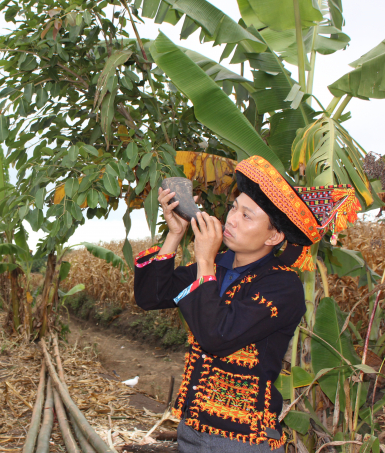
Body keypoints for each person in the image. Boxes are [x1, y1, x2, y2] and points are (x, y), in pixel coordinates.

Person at [134, 156, 360, 452]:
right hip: (192, 428)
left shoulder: (282, 285)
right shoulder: (218, 266)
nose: (231, 219)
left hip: (244, 439)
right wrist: (175, 235)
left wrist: (203, 260)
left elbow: (217, 335)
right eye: (233, 208)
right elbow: (151, 296)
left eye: (247, 215)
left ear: (274, 236)